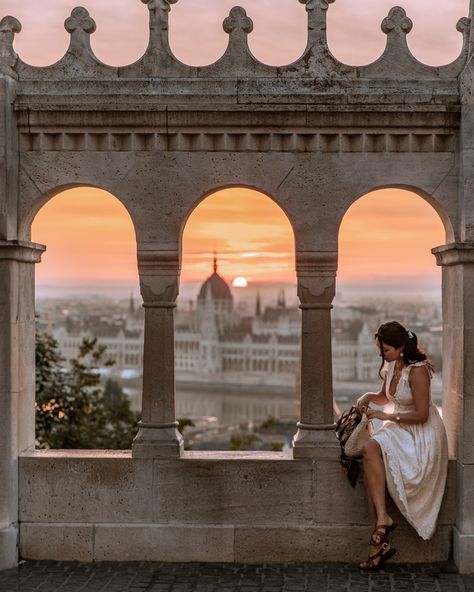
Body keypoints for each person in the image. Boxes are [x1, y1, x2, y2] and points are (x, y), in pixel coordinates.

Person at [355, 321, 448, 571]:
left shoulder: (418, 370)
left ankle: (377, 543)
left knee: (372, 450)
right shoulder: (392, 364)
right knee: (370, 450)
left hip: (421, 434)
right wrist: (367, 397)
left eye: (385, 349)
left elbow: (422, 414)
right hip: (400, 427)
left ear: (400, 347)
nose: (381, 354)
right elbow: (387, 396)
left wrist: (386, 417)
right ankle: (383, 519)